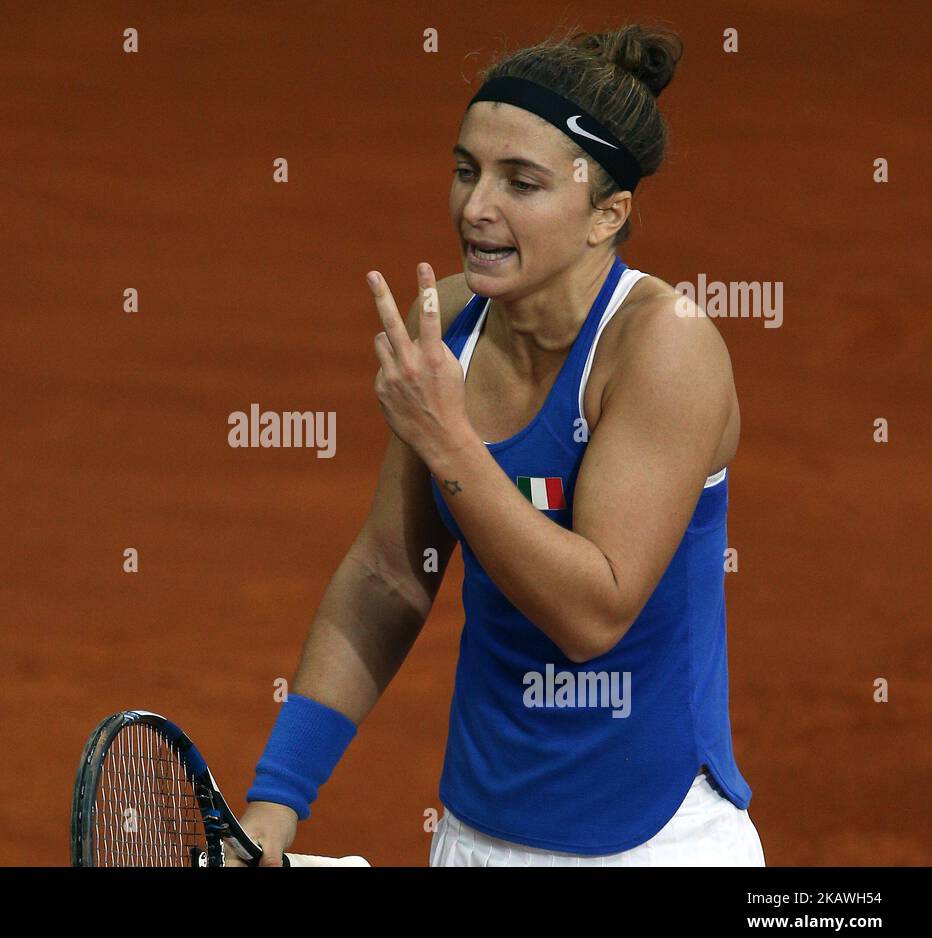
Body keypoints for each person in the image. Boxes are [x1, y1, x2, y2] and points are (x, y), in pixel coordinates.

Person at [235, 24, 765, 866]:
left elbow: (593, 613)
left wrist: (450, 443)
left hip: (656, 840)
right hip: (476, 835)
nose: (476, 206)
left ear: (607, 214)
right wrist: (277, 801)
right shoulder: (448, 325)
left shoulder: (666, 345)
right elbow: (388, 574)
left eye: (522, 182)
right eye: (465, 169)